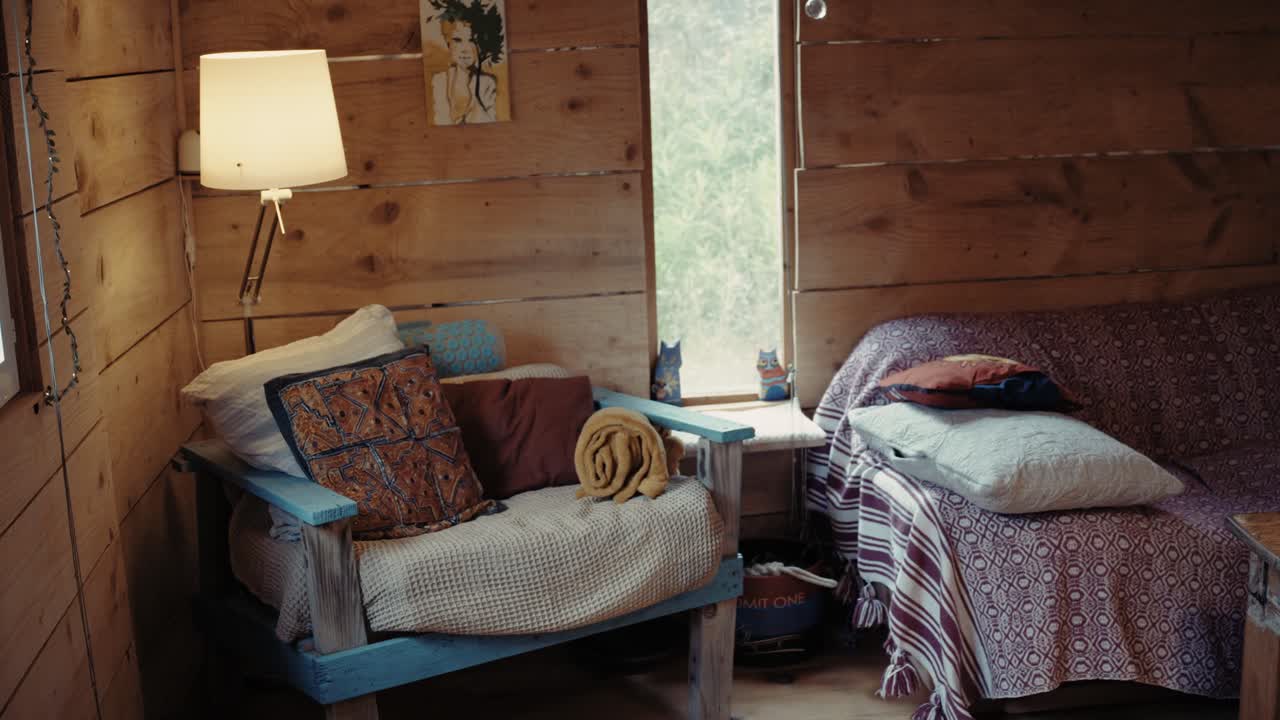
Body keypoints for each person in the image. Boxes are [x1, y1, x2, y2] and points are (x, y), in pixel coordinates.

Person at [431, 17, 498, 125]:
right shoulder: (439, 81)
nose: (465, 49)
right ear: (448, 43)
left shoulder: (487, 83)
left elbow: (488, 122)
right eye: (457, 40)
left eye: (472, 40)